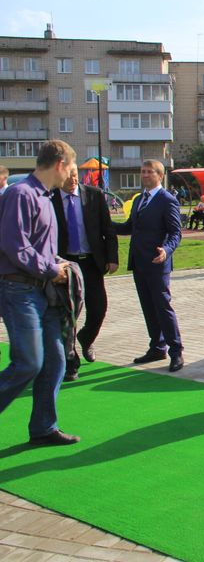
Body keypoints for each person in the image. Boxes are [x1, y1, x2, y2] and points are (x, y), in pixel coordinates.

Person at [0, 140, 80, 446]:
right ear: (60, 164)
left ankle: (44, 427)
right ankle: (44, 426)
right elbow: (14, 245)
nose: (71, 176)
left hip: (43, 292)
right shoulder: (20, 194)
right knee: (28, 363)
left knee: (55, 362)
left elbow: (38, 248)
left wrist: (57, 265)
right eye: (71, 168)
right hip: (19, 290)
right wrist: (51, 268)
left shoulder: (46, 198)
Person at [114, 160, 185, 373]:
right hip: (139, 261)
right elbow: (129, 227)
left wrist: (166, 250)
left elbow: (175, 232)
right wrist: (102, 223)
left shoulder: (167, 200)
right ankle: (157, 346)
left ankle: (176, 351)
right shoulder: (139, 199)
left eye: (148, 172)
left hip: (157, 262)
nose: (144, 175)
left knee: (162, 306)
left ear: (160, 175)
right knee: (147, 306)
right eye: (142, 172)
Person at [52, 163, 118, 381]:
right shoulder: (50, 199)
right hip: (65, 265)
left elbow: (107, 228)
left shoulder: (94, 195)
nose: (73, 180)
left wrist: (112, 257)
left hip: (91, 262)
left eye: (75, 175)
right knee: (68, 315)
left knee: (99, 308)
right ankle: (71, 363)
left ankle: (86, 338)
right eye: (68, 176)